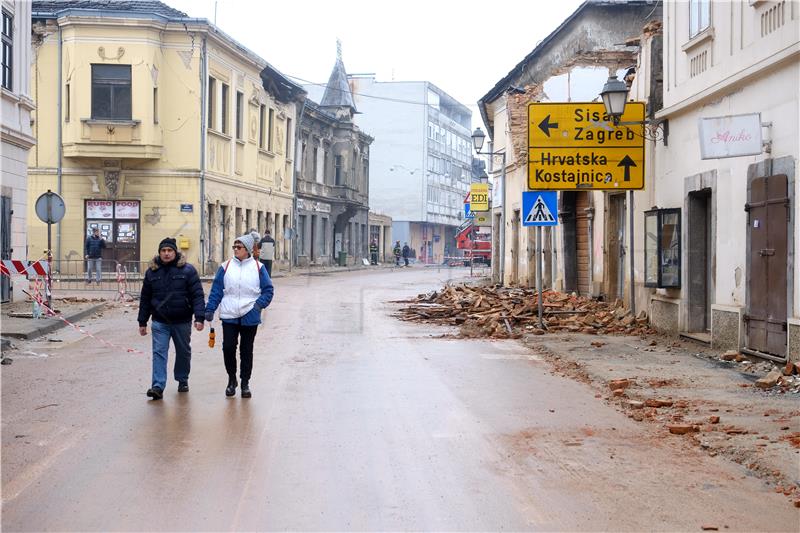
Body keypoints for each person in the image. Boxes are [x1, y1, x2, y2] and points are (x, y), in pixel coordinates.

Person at [205, 233, 274, 398]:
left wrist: (257, 306)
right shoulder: (225, 267)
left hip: (250, 314)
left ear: (248, 249)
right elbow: (216, 290)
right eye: (234, 247)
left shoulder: (258, 268)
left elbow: (268, 290)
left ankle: (245, 383)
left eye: (239, 247)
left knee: (246, 350)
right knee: (228, 348)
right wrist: (210, 309)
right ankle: (231, 379)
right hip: (229, 314)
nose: (235, 249)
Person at [137, 238, 205, 400]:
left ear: (175, 252)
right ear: (159, 253)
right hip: (160, 321)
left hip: (182, 321)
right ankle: (158, 386)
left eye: (169, 251)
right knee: (159, 353)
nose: (166, 254)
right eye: (163, 251)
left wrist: (199, 317)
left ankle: (182, 379)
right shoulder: (152, 272)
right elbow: (145, 298)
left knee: (183, 352)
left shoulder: (188, 271)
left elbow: (197, 295)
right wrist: (142, 321)